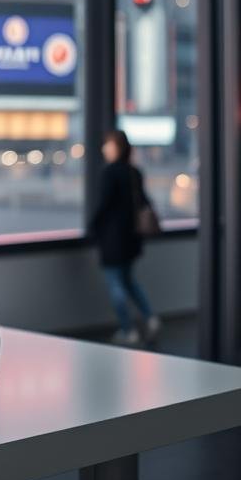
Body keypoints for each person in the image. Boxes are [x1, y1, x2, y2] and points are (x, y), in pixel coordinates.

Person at [90, 130, 161, 346]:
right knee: (128, 281)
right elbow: (144, 201)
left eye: (108, 145)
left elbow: (104, 205)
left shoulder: (109, 173)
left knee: (116, 284)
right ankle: (151, 318)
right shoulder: (134, 172)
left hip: (113, 239)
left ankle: (127, 329)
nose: (104, 149)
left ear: (116, 147)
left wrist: (93, 227)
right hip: (132, 238)